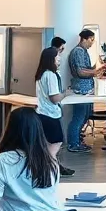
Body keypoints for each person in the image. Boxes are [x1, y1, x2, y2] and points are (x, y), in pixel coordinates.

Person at [34, 46, 74, 178]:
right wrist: (66, 93)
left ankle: (53, 168)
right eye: (57, 56)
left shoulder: (41, 74)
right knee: (56, 144)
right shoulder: (50, 75)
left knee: (47, 145)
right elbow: (55, 98)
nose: (59, 59)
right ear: (51, 59)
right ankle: (50, 170)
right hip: (50, 114)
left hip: (42, 113)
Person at [65, 30, 103, 153]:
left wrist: (97, 67)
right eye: (91, 40)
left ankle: (77, 140)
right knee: (79, 117)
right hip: (81, 89)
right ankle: (73, 143)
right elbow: (81, 71)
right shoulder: (78, 51)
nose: (92, 43)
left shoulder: (83, 51)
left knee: (85, 116)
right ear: (84, 39)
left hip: (86, 89)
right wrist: (95, 72)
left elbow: (85, 69)